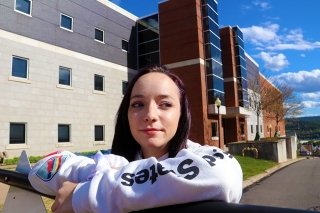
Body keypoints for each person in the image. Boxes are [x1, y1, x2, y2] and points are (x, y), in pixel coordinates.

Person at [28, 65, 243, 213]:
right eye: (138, 104)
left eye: (165, 104)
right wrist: (91, 171)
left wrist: (85, 194)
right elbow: (41, 170)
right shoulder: (111, 165)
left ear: (181, 113)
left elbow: (223, 177)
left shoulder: (204, 157)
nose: (150, 114)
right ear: (127, 114)